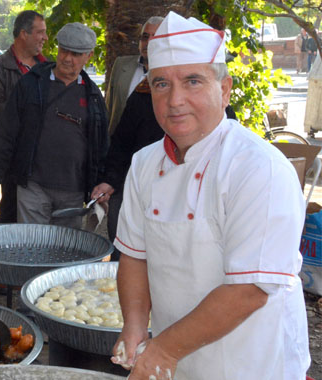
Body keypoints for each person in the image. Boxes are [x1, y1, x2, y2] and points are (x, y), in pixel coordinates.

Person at [111, 12, 310, 379]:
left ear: (225, 89)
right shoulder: (143, 164)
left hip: (252, 363)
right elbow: (134, 257)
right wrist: (136, 326)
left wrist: (165, 350)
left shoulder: (259, 168)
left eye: (192, 81)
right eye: (161, 84)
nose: (175, 100)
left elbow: (249, 290)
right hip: (177, 359)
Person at [0, 22, 108, 229]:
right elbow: (7, 129)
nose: (67, 58)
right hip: (32, 186)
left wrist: (102, 181)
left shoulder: (93, 96)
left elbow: (101, 144)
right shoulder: (31, 84)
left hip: (73, 190)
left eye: (76, 54)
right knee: (32, 248)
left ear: (89, 56)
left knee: (65, 252)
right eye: (64, 50)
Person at [93, 17, 162, 261]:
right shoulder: (141, 92)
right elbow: (121, 137)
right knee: (123, 249)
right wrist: (109, 179)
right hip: (130, 180)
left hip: (171, 188)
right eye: (145, 36)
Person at [0, 10, 47, 224]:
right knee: (12, 219)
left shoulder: (48, 68)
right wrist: (32, 118)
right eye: (40, 32)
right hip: (13, 164)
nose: (45, 38)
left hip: (46, 162)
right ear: (23, 34)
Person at [105, 16, 164, 137]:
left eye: (155, 37)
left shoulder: (171, 72)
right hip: (119, 146)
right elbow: (109, 108)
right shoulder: (121, 65)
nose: (148, 43)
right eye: (145, 37)